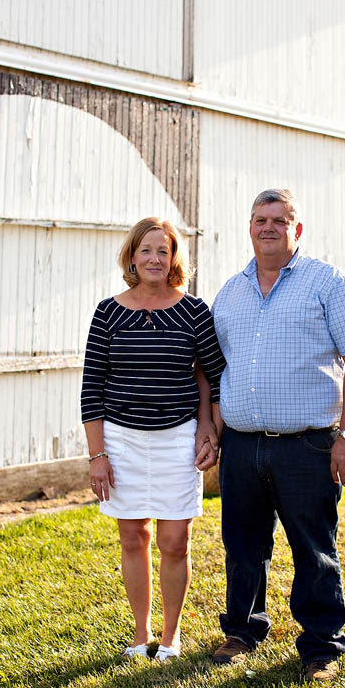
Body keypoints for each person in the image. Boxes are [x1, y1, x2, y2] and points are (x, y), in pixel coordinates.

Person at [208, 188, 345, 682]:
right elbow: (217, 369)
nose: (268, 227)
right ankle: (242, 631)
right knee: (243, 545)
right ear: (250, 228)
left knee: (314, 549)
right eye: (260, 219)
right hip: (242, 444)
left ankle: (321, 646)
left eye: (279, 220)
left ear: (296, 229)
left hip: (307, 445)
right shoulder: (230, 292)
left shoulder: (328, 282)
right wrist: (213, 432)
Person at [81, 217, 225, 661]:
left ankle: (170, 636)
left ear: (174, 258)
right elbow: (92, 388)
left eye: (164, 250)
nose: (155, 258)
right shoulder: (108, 312)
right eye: (146, 249)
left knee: (175, 541)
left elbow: (213, 378)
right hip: (120, 441)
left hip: (178, 439)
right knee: (133, 538)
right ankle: (140, 634)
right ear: (132, 257)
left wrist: (210, 430)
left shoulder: (195, 311)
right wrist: (97, 455)